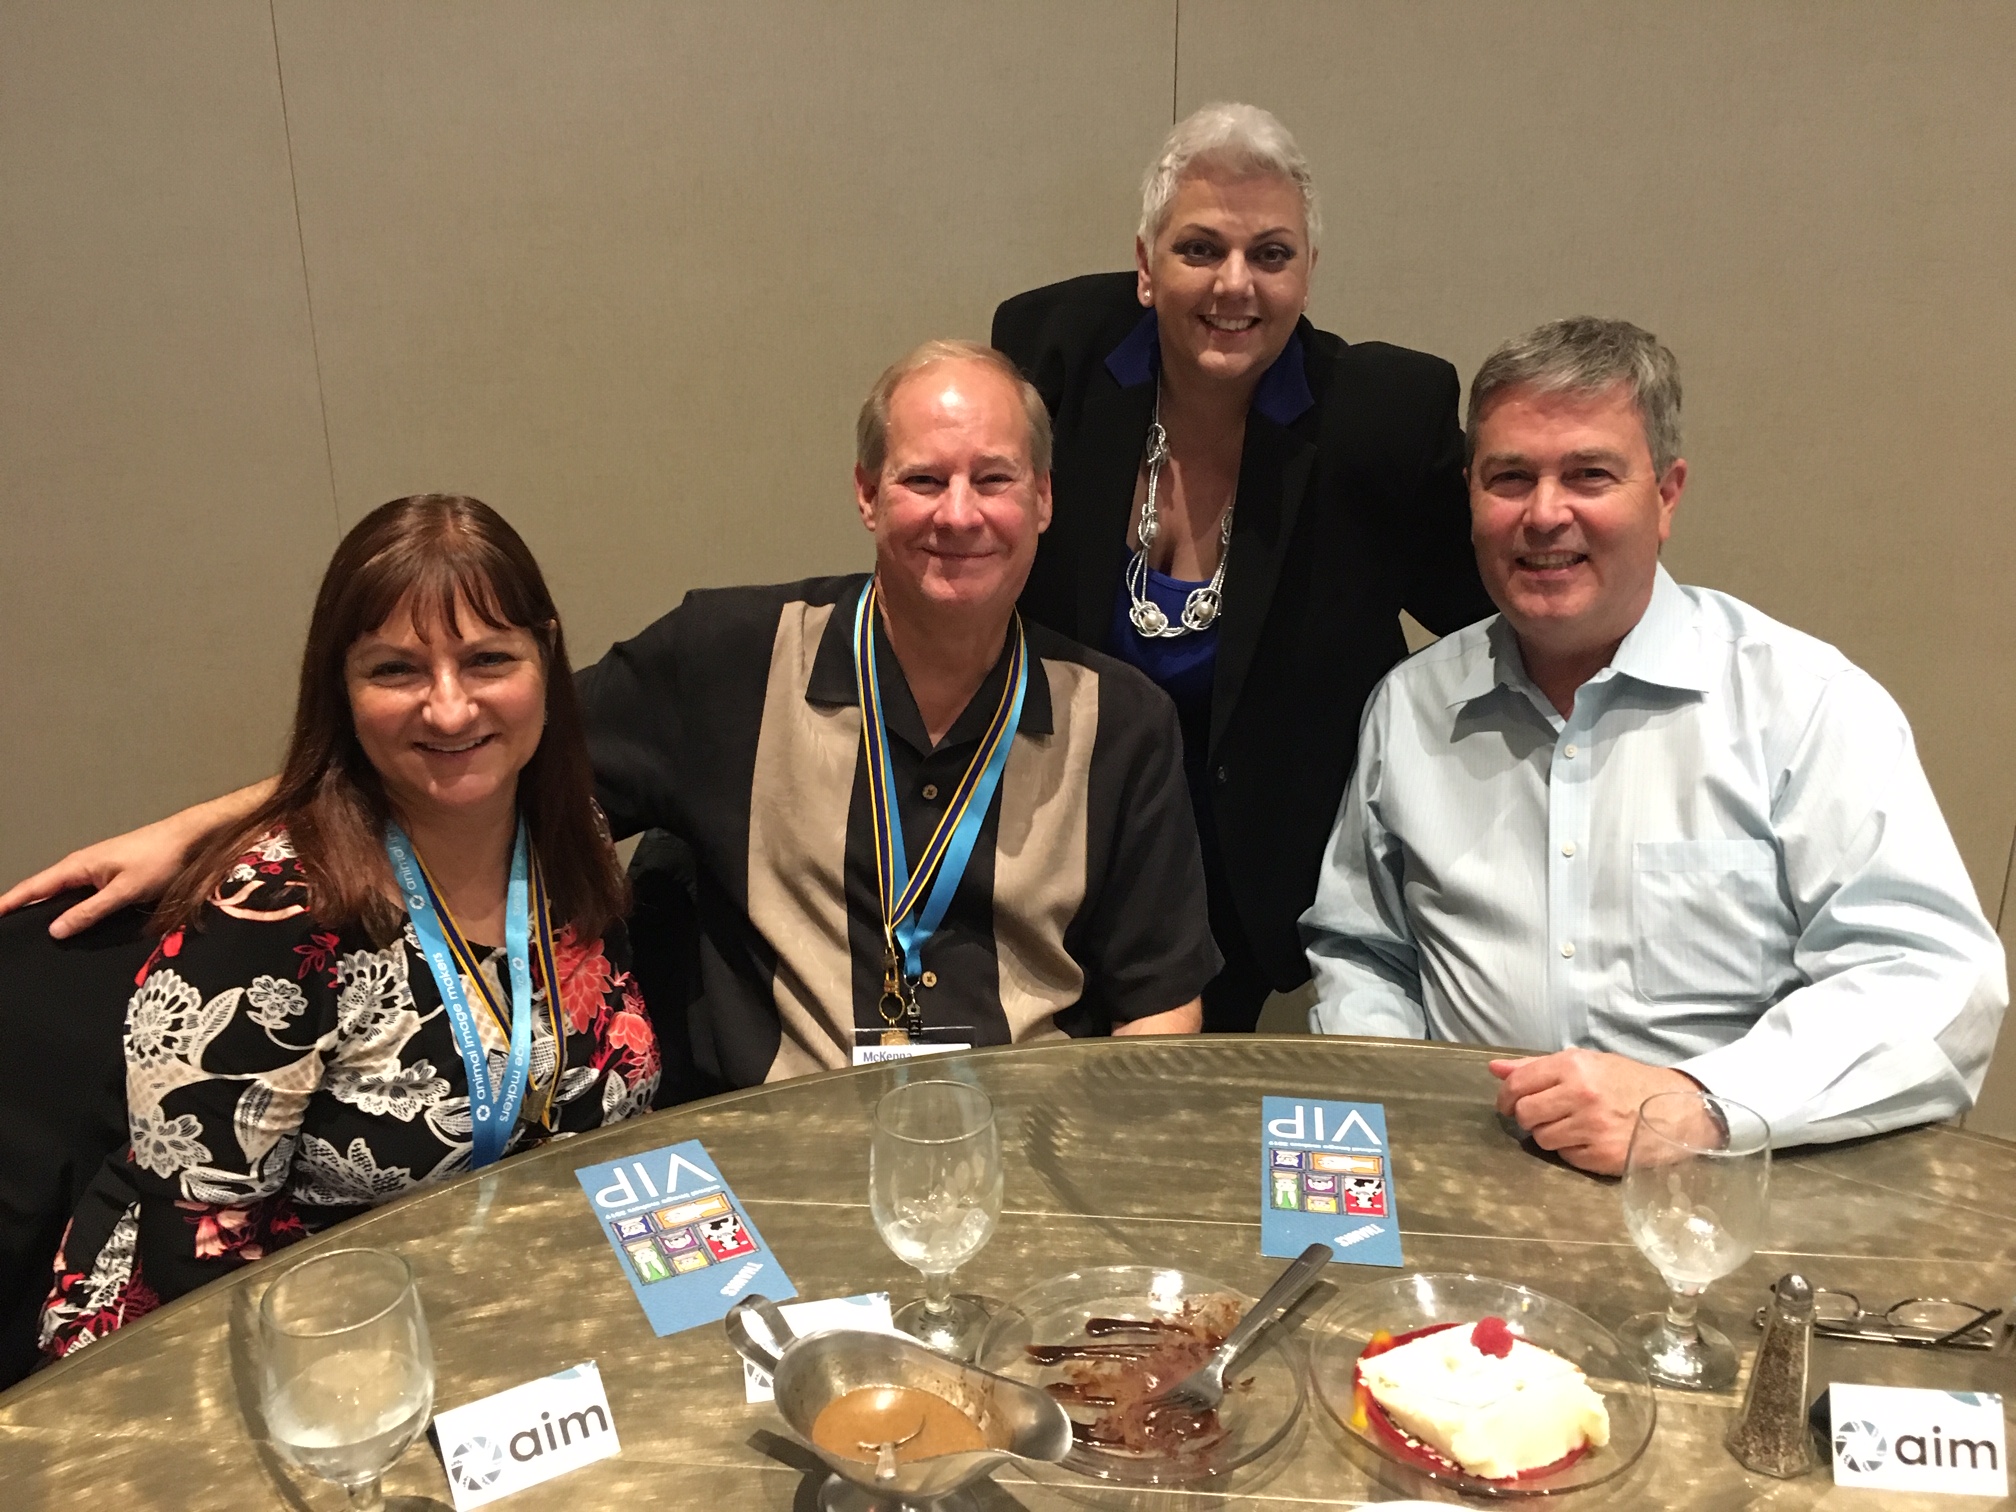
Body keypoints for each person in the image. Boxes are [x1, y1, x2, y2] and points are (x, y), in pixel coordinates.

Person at [4, 344, 1214, 1094]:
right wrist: (207, 826)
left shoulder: (1125, 721)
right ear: (864, 495)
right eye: (922, 478)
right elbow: (468, 738)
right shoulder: (731, 661)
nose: (959, 514)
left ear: (1045, 500)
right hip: (780, 1163)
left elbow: (1161, 1013)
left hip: (1020, 1163)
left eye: (993, 479)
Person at [1301, 317, 2007, 1174]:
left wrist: (1697, 1104)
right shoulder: (1410, 708)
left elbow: (1935, 980)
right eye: (1509, 478)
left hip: (1727, 1198)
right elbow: (1363, 950)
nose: (1545, 514)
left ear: (1667, 494)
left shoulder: (1802, 704)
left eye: (1589, 475)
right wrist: (1396, 1123)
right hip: (1467, 1198)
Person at [37, 496, 659, 1357]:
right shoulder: (270, 920)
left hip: (514, 1308)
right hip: (279, 1347)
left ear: (545, 659)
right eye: (397, 671)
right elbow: (200, 1261)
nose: (449, 708)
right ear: (343, 686)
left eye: (487, 659)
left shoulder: (570, 838)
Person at [993, 102, 1493, 1034]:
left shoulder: (1378, 419)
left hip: (1248, 880)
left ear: (1309, 272)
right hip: (1047, 847)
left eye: (1271, 254)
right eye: (1199, 250)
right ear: (1146, 267)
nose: (1236, 286)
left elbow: (1495, 615)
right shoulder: (1051, 360)